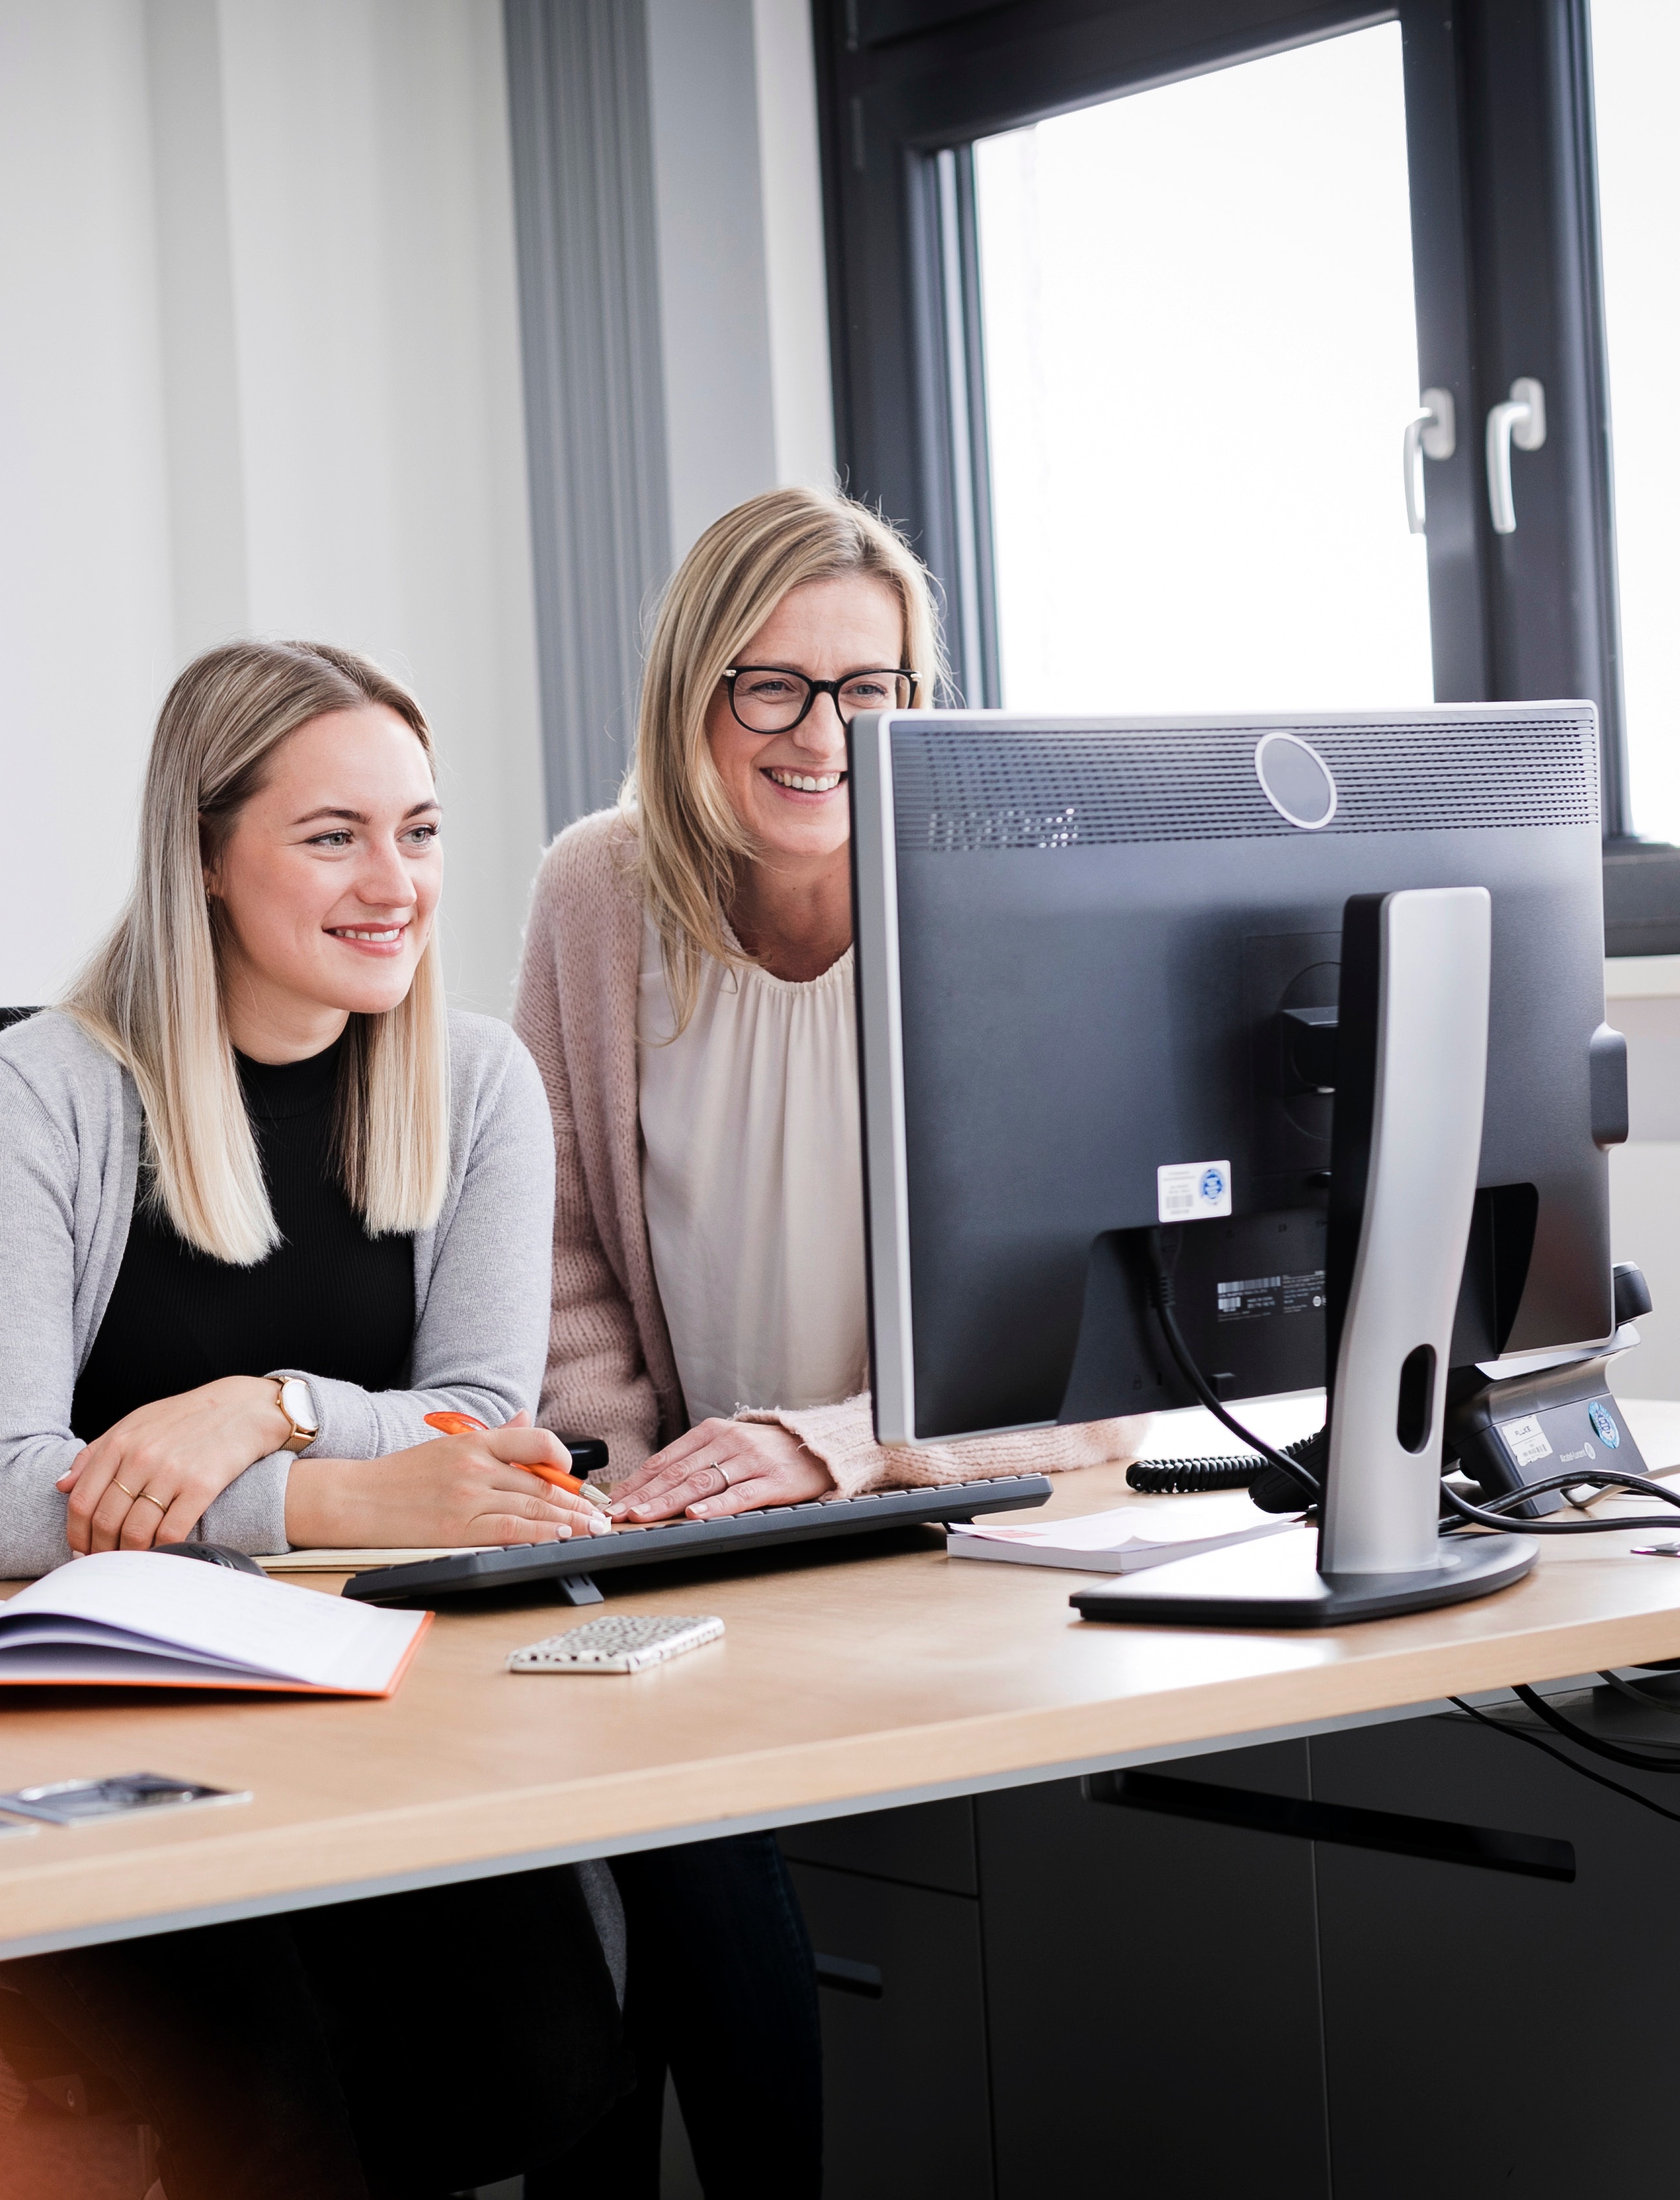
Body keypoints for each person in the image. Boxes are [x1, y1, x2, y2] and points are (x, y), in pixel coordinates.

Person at [0, 638, 624, 2197]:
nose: (396, 882)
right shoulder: (33, 1098)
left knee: (544, 2066)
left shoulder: (480, 1083)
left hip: (392, 1704)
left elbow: (492, 1424)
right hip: (120, 1719)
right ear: (207, 859)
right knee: (275, 2112)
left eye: (421, 831)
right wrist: (340, 1502)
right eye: (333, 835)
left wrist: (265, 1412)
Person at [515, 485, 1146, 2193]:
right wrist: (635, 1487)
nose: (822, 735)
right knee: (615, 1819)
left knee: (658, 1826)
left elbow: (1084, 1371)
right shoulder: (598, 892)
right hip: (684, 1529)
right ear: (693, 697)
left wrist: (840, 1445)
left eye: (867, 690)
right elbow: (557, 1246)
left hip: (925, 1523)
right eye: (770, 687)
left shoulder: (1005, 896)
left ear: (918, 707)